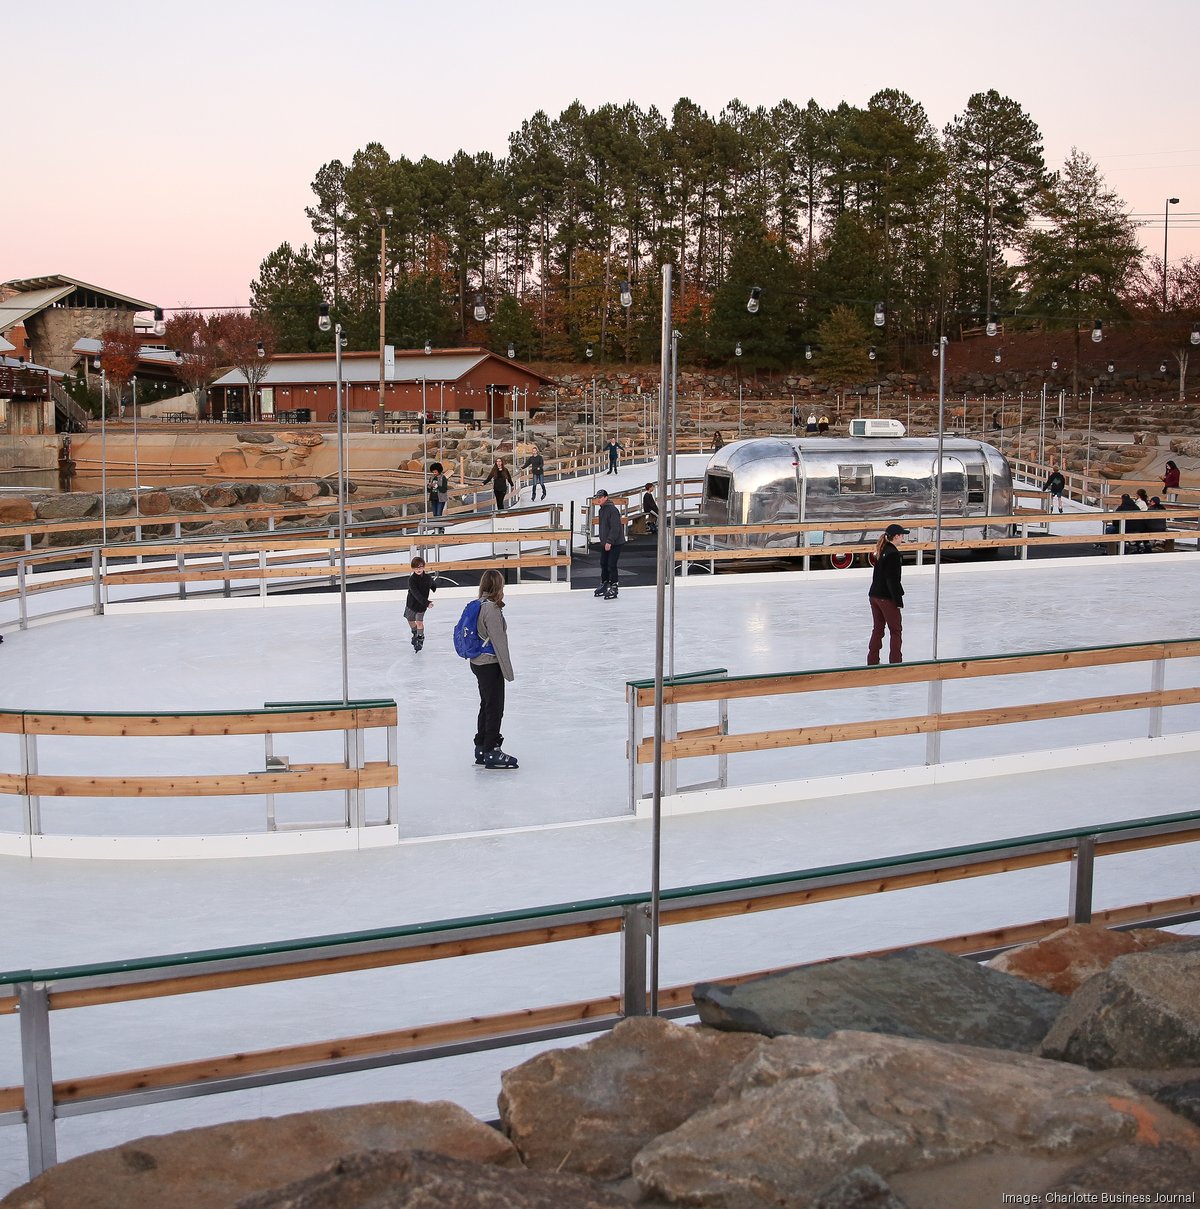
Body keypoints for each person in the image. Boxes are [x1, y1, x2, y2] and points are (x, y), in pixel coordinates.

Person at [470, 568, 517, 769]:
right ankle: (491, 750)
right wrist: (508, 672)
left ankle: (481, 746)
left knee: (486, 705)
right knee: (495, 708)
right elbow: (499, 642)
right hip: (489, 663)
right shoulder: (491, 609)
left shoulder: (480, 604)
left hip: (478, 662)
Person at [867, 523, 908, 666]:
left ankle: (872, 661)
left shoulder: (882, 549)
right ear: (896, 536)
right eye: (902, 535)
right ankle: (896, 663)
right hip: (885, 597)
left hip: (874, 596)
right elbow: (893, 580)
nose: (903, 538)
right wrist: (898, 601)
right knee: (896, 630)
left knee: (878, 629)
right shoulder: (893, 554)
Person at [594, 488, 625, 599]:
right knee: (603, 563)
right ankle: (605, 583)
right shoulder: (601, 510)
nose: (598, 500)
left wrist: (609, 541)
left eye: (600, 497)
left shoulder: (612, 510)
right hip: (605, 542)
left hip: (615, 542)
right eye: (597, 498)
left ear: (606, 497)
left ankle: (614, 586)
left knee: (611, 564)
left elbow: (615, 528)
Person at [404, 556, 438, 652]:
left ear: (423, 567)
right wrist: (427, 603)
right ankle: (415, 633)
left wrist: (434, 587)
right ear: (412, 568)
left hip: (421, 605)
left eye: (420, 567)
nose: (418, 569)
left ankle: (420, 637)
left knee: (419, 622)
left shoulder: (427, 577)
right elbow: (416, 594)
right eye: (416, 568)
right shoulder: (411, 580)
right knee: (410, 620)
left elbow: (432, 583)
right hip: (412, 604)